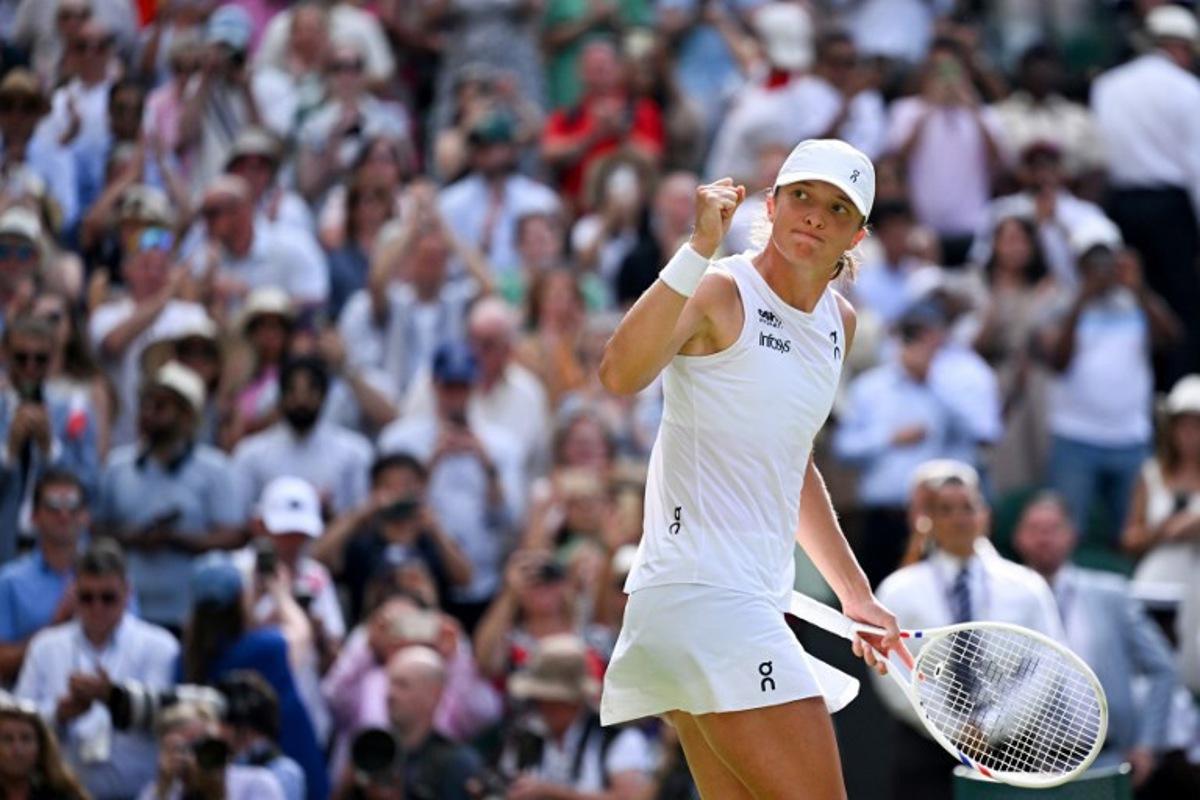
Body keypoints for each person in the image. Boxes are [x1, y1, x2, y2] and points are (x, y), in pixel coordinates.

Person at [597, 139, 905, 799]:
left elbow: (791, 464)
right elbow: (619, 374)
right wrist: (696, 249)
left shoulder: (839, 323)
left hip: (739, 601)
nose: (814, 215)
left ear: (857, 234)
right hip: (702, 597)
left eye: (837, 208)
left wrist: (855, 595)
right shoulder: (718, 288)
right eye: (802, 197)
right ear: (772, 204)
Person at [871, 468, 1063, 800]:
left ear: (985, 514)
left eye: (968, 507)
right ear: (928, 520)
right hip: (924, 751)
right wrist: (952, 727)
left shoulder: (1026, 586)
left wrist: (993, 725)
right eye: (946, 509)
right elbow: (891, 668)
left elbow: (1047, 663)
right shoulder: (897, 590)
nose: (959, 519)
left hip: (1014, 749)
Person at [1012, 493, 1197, 796]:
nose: (1044, 538)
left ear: (1072, 535)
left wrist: (1147, 745)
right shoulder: (1003, 598)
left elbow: (1163, 668)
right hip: (1028, 767)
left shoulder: (1112, 594)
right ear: (1018, 537)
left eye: (1053, 528)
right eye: (1035, 529)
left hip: (1109, 761)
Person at [1039, 218, 1181, 545]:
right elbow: (1057, 362)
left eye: (1106, 260)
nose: (1100, 269)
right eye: (1092, 261)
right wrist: (1082, 299)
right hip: (1074, 438)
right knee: (1065, 537)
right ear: (1078, 263)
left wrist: (1139, 289)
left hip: (1130, 438)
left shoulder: (1137, 302)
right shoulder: (1061, 301)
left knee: (1133, 535)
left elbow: (1172, 340)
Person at [16, 539, 180, 800]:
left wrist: (113, 698)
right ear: (73, 592)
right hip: (61, 794)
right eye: (87, 597)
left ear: (127, 592)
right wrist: (60, 713)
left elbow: (167, 719)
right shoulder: (45, 646)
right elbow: (18, 721)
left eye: (108, 598)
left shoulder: (160, 645)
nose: (97, 607)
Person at [1091, 5, 1200, 384]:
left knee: (1131, 297)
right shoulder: (1187, 90)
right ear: (1180, 47)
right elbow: (1196, 167)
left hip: (1122, 206)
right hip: (1172, 210)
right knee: (1181, 305)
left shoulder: (1108, 86)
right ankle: (1179, 389)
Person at [93, 361, 244, 630]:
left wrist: (175, 539)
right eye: (146, 404)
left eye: (161, 406)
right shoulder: (117, 466)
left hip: (190, 614)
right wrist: (134, 538)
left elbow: (232, 536)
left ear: (186, 415)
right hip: (129, 614)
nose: (149, 413)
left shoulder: (216, 468)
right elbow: (96, 528)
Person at [181, 553, 330, 800]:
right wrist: (279, 592)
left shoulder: (186, 660)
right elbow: (302, 631)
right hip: (286, 777)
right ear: (241, 598)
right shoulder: (264, 647)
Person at [0, 314, 98, 558]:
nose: (30, 367)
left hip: (54, 550)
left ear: (53, 358)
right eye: (21, 358)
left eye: (40, 359)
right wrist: (8, 454)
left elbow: (90, 487)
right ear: (5, 354)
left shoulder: (74, 410)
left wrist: (50, 449)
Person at [0, 469, 89, 685]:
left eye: (72, 506)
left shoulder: (108, 578)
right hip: (30, 698)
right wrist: (56, 626)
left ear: (85, 516)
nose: (64, 515)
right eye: (53, 507)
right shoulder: (10, 581)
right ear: (34, 516)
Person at [1123, 374, 1200, 603]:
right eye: (1183, 425)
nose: (1189, 434)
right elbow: (1129, 540)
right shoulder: (1151, 474)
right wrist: (1161, 531)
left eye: (1197, 426)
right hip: (1156, 582)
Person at [139, 700, 286, 800]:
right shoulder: (157, 792)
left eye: (205, 741)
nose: (197, 754)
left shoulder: (257, 783)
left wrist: (218, 792)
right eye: (182, 748)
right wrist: (164, 789)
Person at [216, 671, 307, 800]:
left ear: (245, 727)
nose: (217, 731)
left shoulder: (283, 771)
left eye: (222, 723)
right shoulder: (228, 765)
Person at [0, 692, 89, 800]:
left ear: (41, 746)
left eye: (26, 739)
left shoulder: (63, 795)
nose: (18, 750)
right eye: (7, 739)